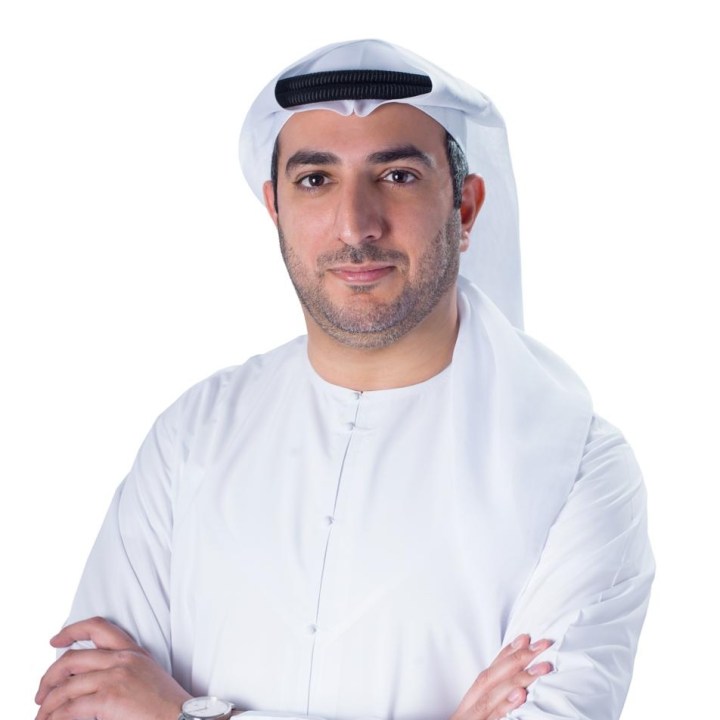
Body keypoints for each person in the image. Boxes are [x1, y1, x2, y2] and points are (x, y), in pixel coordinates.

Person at [34, 39, 654, 720]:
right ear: (275, 208)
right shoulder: (191, 439)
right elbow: (84, 706)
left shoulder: (578, 468)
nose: (356, 225)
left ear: (466, 208)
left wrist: (184, 713)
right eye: (315, 180)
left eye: (397, 176)